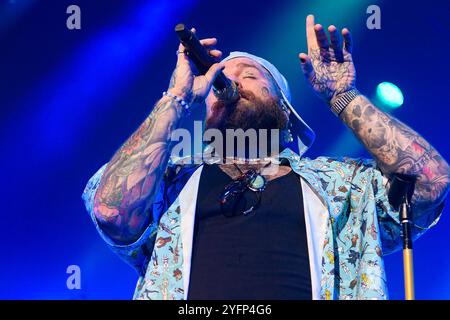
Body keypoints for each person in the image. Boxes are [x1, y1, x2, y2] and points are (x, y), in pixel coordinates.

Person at [82, 15, 449, 300]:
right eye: (221, 79)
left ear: (285, 113)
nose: (232, 83)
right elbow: (113, 210)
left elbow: (431, 181)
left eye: (250, 75)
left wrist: (342, 96)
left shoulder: (344, 186)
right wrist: (176, 97)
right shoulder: (172, 182)